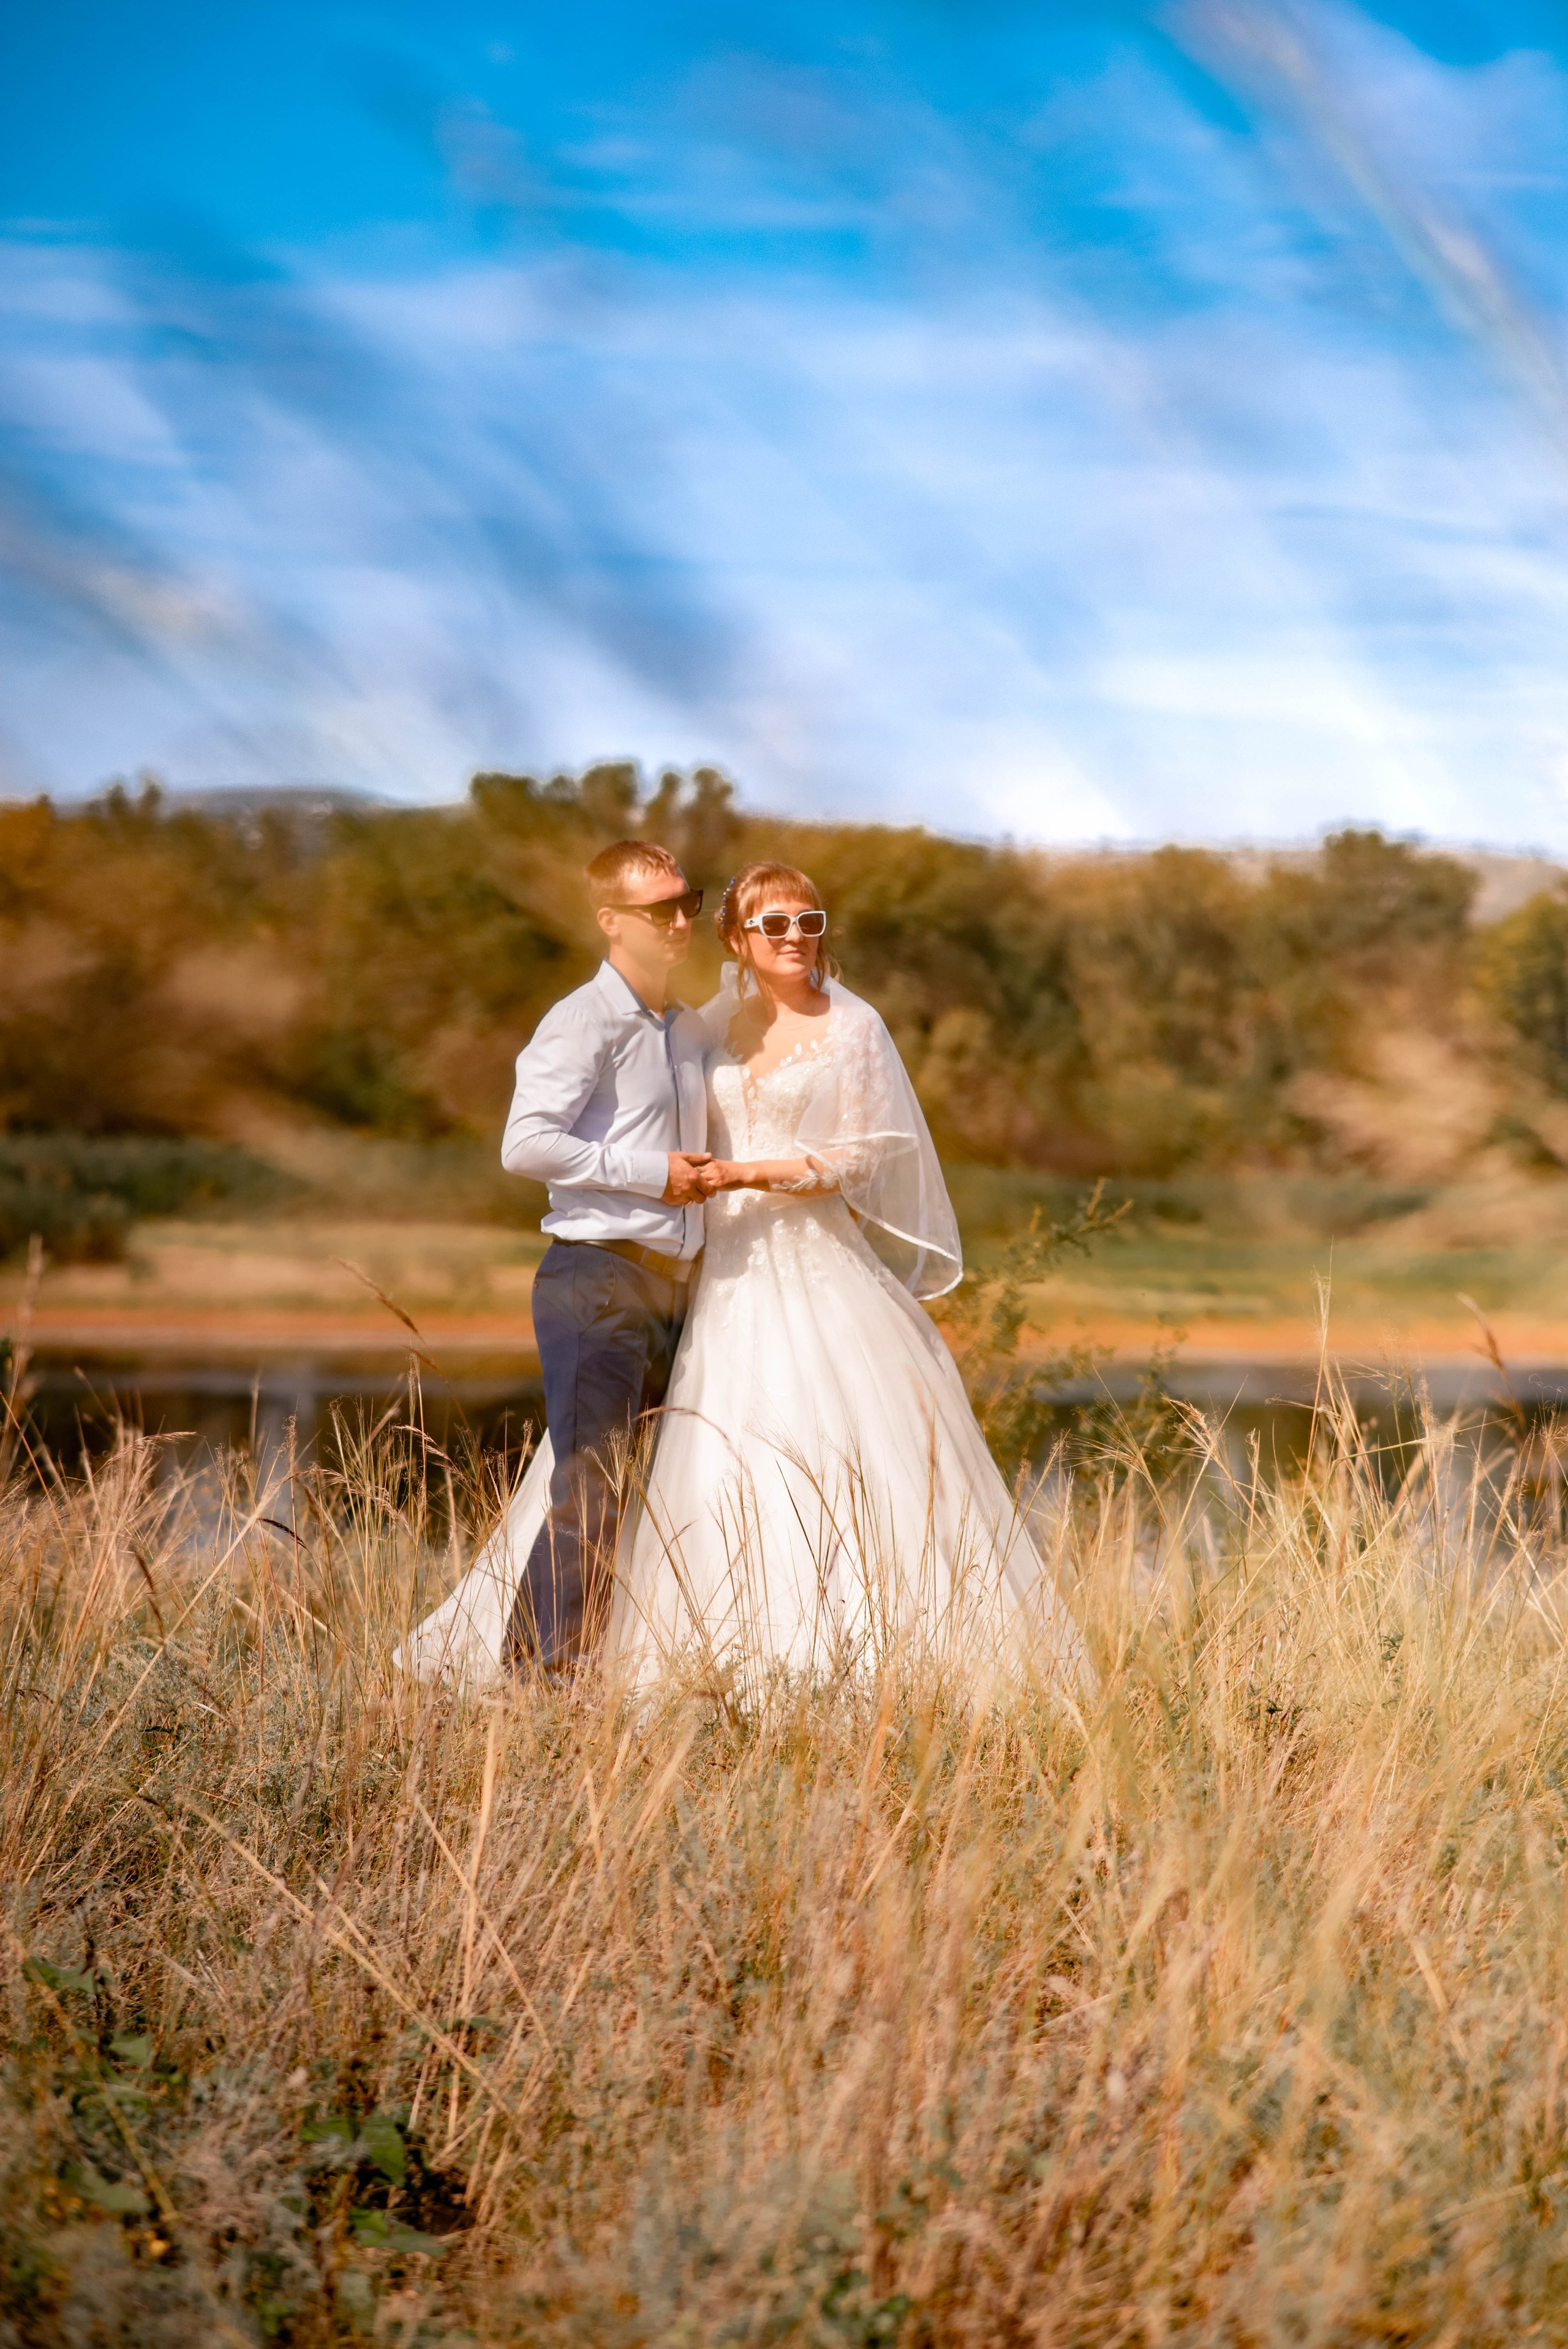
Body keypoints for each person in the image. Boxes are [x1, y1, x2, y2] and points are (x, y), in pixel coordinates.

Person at [396, 858, 1087, 1696]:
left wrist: (744, 1175)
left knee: (820, 1446)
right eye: (774, 924)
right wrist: (667, 1179)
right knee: (632, 1465)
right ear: (738, 939)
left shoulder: (852, 1026)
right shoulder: (706, 1027)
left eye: (809, 921)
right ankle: (563, 1664)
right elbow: (579, 1137)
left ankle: (825, 1661)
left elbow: (865, 1157)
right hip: (704, 1276)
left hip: (809, 1263)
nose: (795, 937)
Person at [494, 838, 713, 1672]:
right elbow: (525, 1146)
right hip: (596, 1277)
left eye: (688, 901)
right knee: (590, 1490)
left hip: (673, 1289)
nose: (682, 919)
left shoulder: (687, 1028)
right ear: (611, 921)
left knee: (630, 1489)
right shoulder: (581, 1020)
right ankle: (551, 1687)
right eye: (661, 908)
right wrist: (648, 1174)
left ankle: (548, 1667)